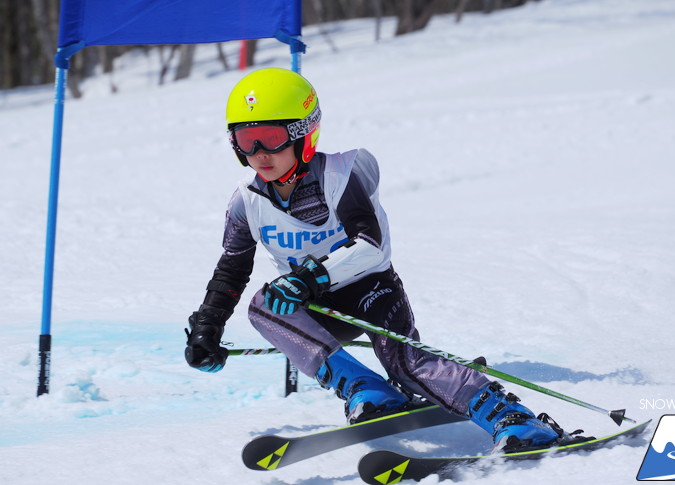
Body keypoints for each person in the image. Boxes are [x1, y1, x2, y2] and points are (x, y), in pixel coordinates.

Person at [184, 67, 567, 451]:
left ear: (304, 133)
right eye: (245, 140)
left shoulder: (340, 174)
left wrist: (308, 278)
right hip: (315, 307)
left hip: (371, 290)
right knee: (264, 307)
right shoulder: (246, 199)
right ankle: (367, 391)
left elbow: (368, 243)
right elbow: (231, 269)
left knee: (406, 366)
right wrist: (208, 327)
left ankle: (514, 419)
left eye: (270, 138)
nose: (258, 154)